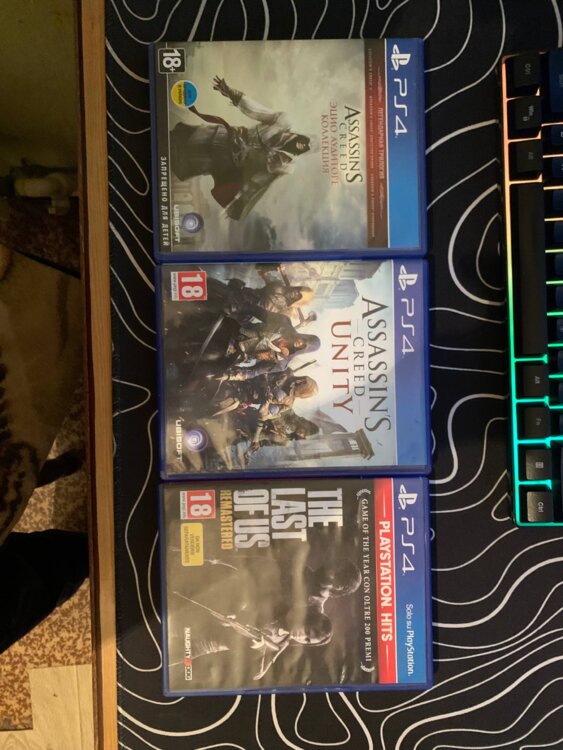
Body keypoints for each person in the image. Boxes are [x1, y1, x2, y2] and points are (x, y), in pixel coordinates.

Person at [170, 76, 316, 220]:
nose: (305, 145)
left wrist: (239, 202)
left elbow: (260, 181)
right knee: (185, 139)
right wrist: (232, 93)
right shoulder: (283, 122)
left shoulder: (286, 166)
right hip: (226, 136)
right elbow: (257, 111)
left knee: (186, 162)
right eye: (307, 141)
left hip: (227, 161)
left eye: (308, 148)